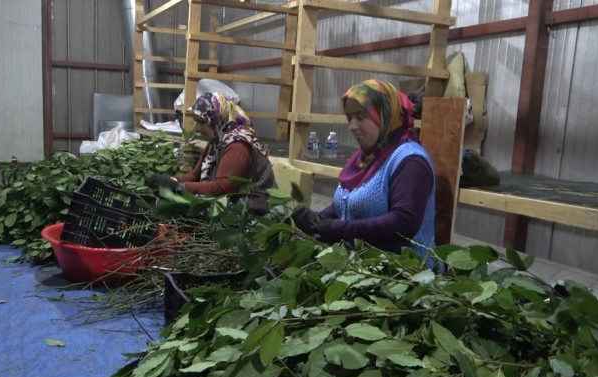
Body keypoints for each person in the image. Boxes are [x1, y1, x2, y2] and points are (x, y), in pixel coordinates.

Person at [292, 79, 436, 258]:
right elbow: (349, 204)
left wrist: (338, 229)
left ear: (384, 115)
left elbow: (403, 222)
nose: (352, 126)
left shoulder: (410, 161)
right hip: (360, 262)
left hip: (403, 271)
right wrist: (317, 219)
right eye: (350, 117)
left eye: (360, 117)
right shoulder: (365, 157)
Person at [148, 91, 276, 203]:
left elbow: (222, 188)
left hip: (255, 210)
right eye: (197, 122)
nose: (198, 128)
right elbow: (194, 176)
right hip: (234, 203)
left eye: (202, 122)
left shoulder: (238, 145)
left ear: (217, 119)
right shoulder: (216, 143)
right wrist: (169, 181)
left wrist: (180, 187)